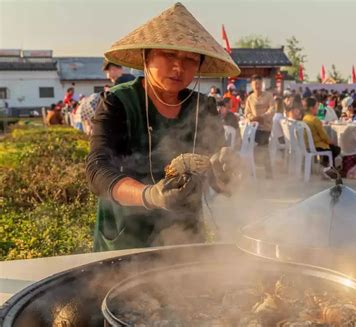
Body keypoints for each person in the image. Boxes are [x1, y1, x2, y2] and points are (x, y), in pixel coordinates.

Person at [86, 2, 241, 252]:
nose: (179, 67)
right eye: (169, 55)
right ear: (146, 56)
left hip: (185, 235)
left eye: (190, 59)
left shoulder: (204, 107)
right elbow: (97, 170)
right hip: (128, 237)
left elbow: (217, 178)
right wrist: (150, 195)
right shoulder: (119, 102)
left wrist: (227, 172)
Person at [244, 74, 275, 178]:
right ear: (252, 85)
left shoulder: (269, 96)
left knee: (263, 147)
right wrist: (252, 118)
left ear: (262, 84)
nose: (257, 86)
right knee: (246, 144)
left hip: (265, 127)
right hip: (253, 128)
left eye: (259, 83)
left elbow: (272, 110)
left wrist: (262, 117)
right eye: (255, 84)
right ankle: (251, 168)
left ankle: (268, 172)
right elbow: (247, 113)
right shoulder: (250, 98)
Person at [302, 98, 340, 166]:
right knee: (336, 149)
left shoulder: (304, 118)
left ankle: (326, 165)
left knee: (331, 147)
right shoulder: (315, 120)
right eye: (317, 107)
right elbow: (324, 136)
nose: (318, 109)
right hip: (316, 145)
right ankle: (329, 168)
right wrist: (332, 142)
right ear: (311, 108)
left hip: (306, 144)